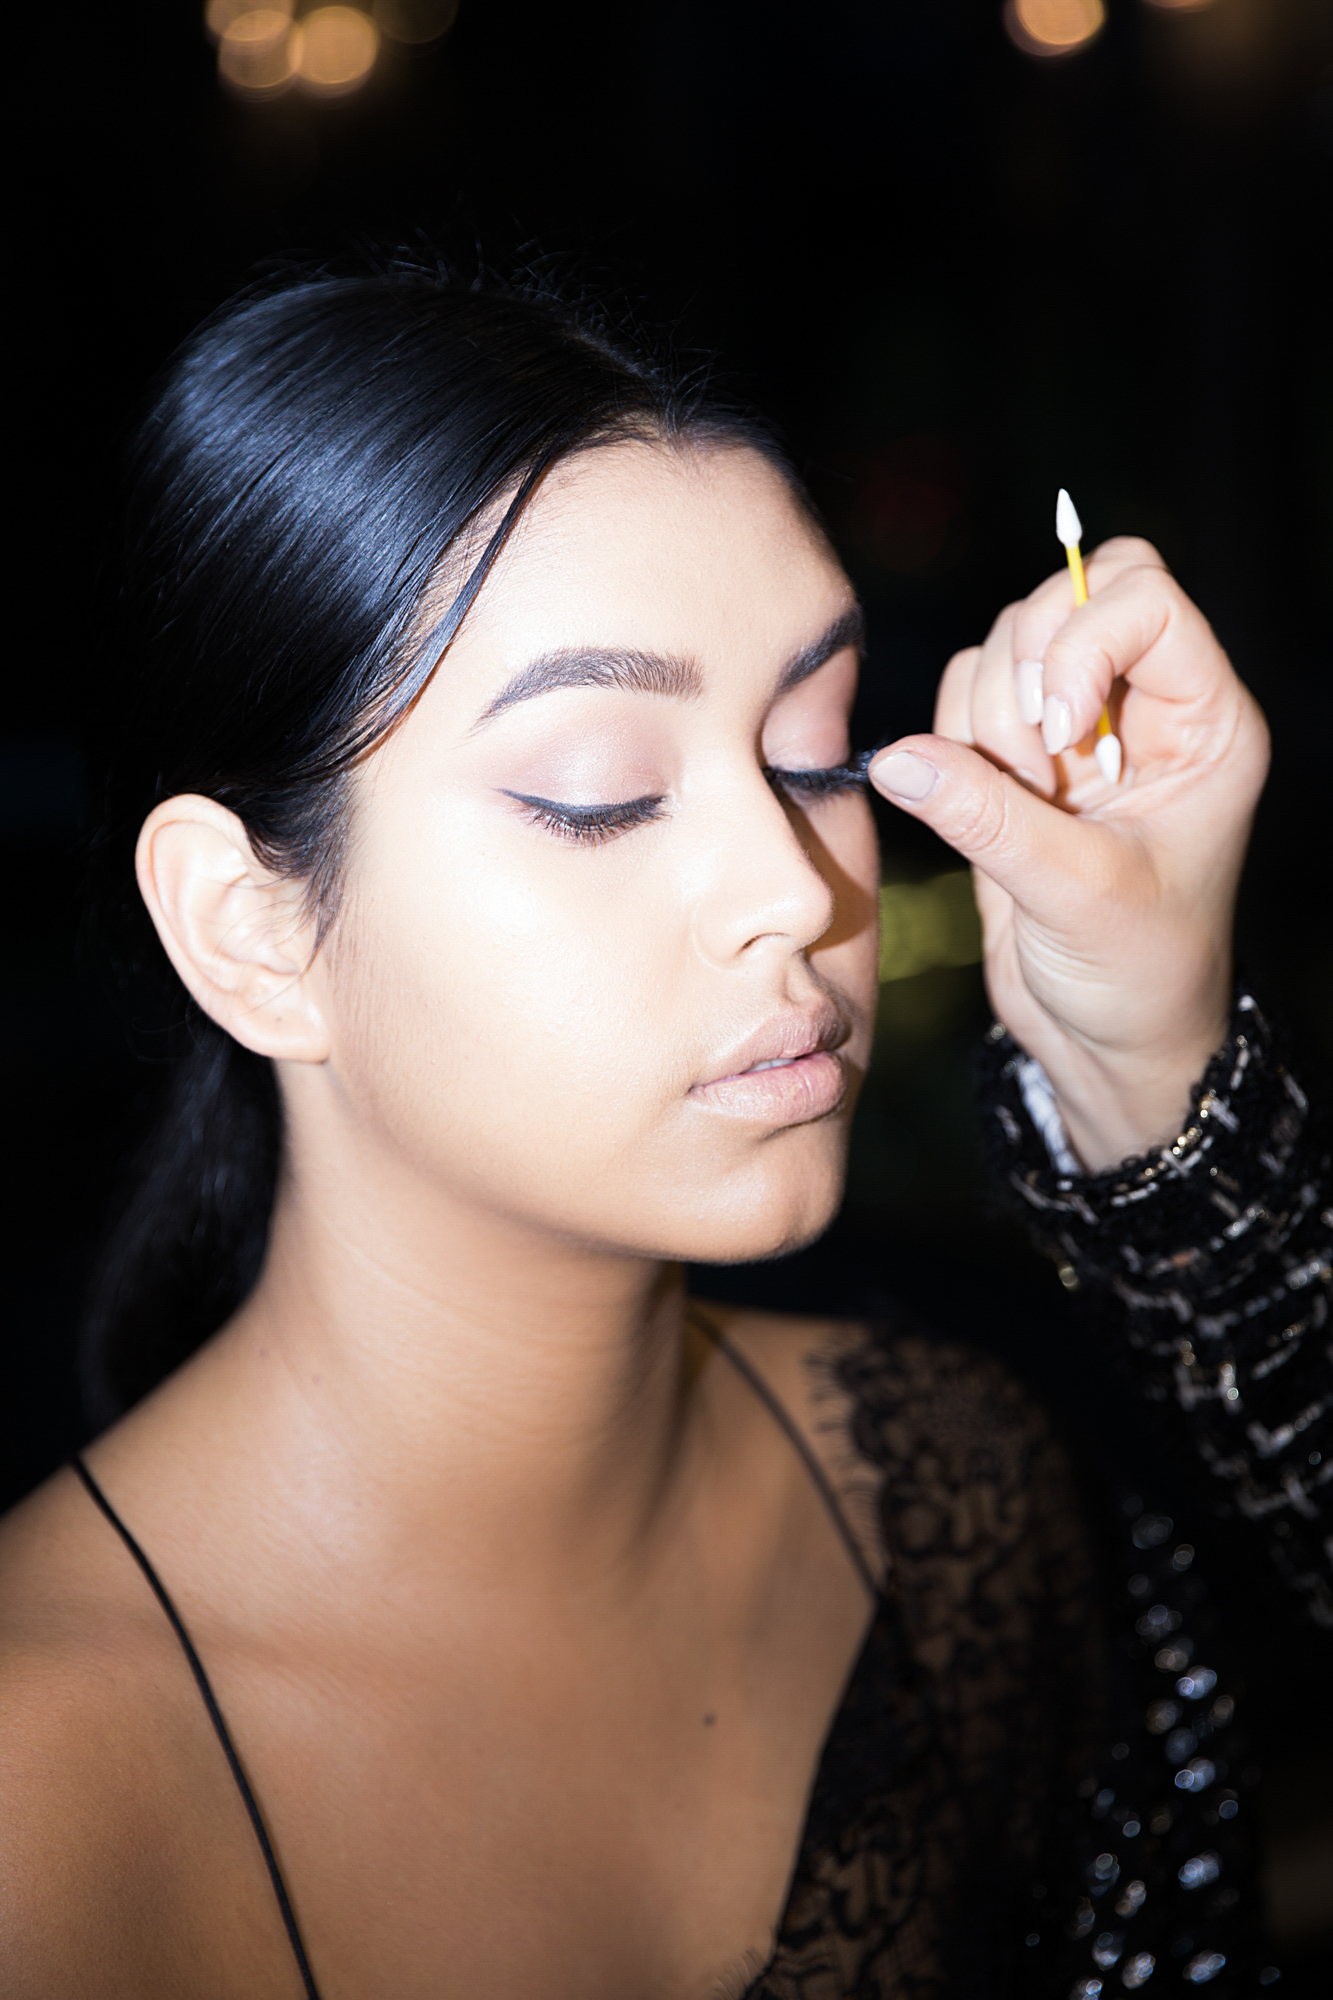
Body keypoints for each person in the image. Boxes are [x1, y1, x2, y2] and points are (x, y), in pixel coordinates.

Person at [0, 261, 1326, 1999]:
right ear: (251, 928)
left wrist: (1150, 1071)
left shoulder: (961, 1505)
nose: (795, 887)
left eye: (815, 748)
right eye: (601, 794)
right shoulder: (46, 1805)